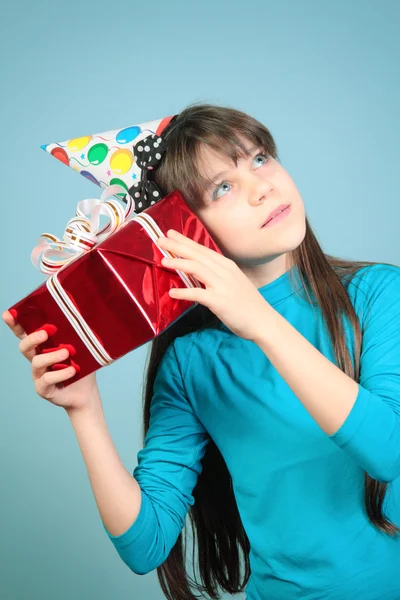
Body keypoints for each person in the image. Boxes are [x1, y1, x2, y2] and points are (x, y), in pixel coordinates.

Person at [3, 102, 400, 600]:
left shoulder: (378, 293)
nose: (263, 187)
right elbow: (145, 546)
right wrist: (84, 411)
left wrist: (261, 322)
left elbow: (389, 451)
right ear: (185, 228)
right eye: (223, 188)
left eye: (259, 158)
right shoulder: (192, 362)